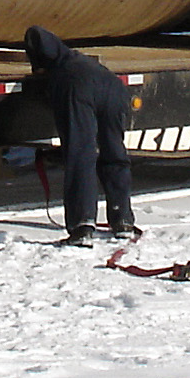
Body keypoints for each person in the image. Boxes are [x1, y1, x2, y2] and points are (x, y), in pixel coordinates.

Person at [24, 25, 137, 245]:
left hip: (80, 89)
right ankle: (123, 220)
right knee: (114, 152)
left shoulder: (63, 73)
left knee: (81, 155)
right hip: (114, 89)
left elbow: (77, 146)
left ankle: (82, 226)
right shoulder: (81, 59)